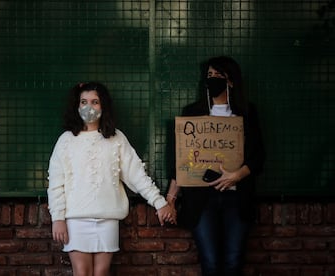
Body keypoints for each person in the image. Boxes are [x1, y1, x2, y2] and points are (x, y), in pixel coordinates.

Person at [47, 81, 176, 276]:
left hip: (107, 219)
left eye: (95, 101)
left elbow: (136, 174)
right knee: (81, 272)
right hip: (76, 219)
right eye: (83, 101)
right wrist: (57, 218)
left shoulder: (116, 138)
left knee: (102, 272)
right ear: (77, 105)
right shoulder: (66, 140)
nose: (88, 106)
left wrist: (159, 202)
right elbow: (56, 183)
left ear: (103, 105)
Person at [166, 56, 265, 276]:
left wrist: (236, 176)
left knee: (233, 261)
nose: (212, 80)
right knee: (210, 262)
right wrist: (171, 199)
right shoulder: (192, 112)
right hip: (202, 199)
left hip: (236, 198)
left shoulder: (246, 113)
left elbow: (258, 156)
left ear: (231, 81)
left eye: (218, 76)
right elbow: (182, 160)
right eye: (209, 76)